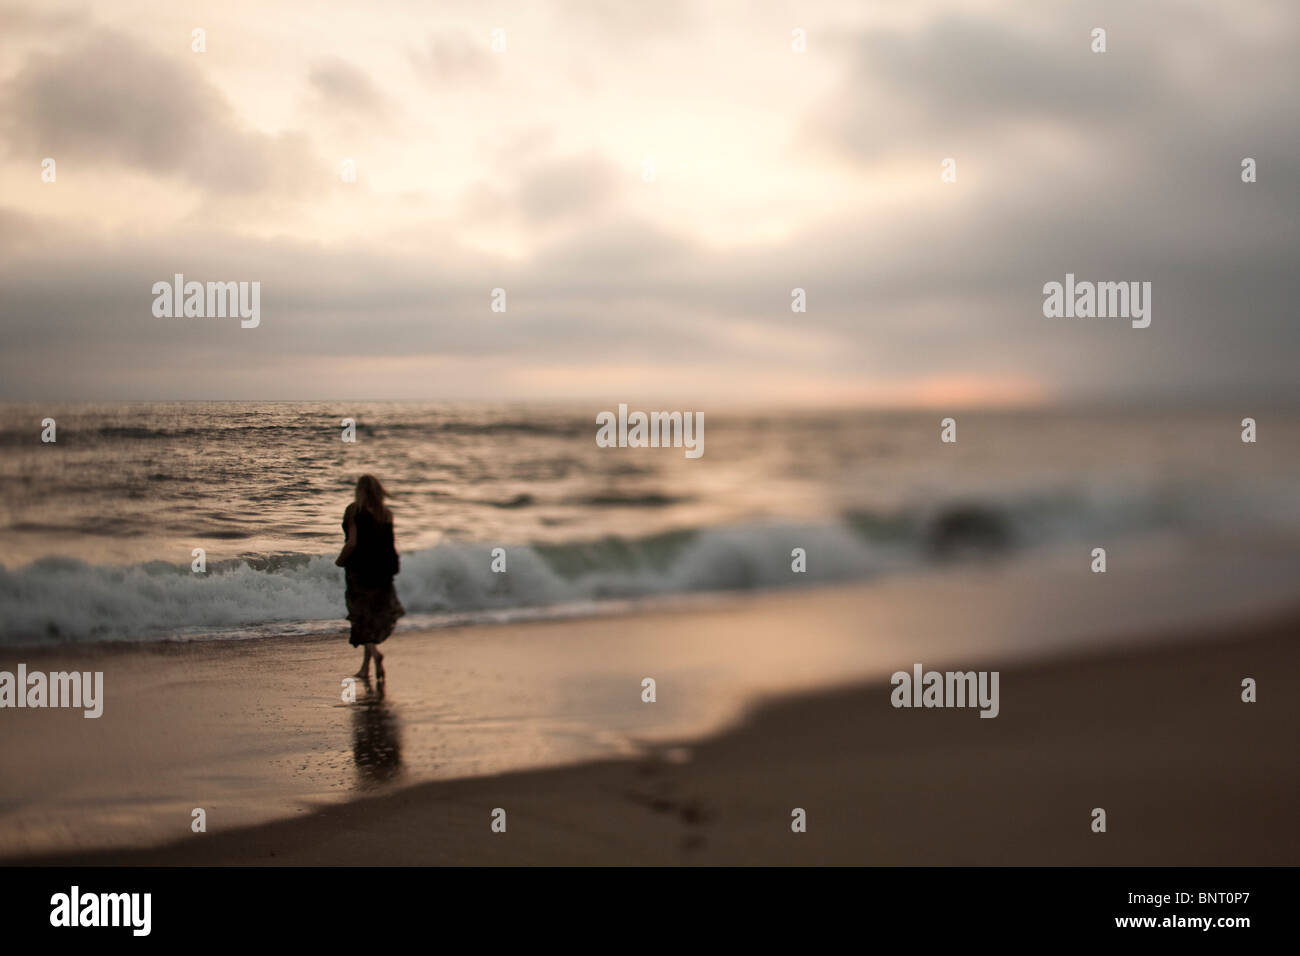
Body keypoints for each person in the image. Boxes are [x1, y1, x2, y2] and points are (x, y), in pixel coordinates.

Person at [335, 475, 404, 680]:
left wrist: (339, 561)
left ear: (360, 491)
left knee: (360, 618)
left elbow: (352, 543)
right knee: (371, 619)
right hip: (382, 573)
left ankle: (376, 654)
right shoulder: (386, 514)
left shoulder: (354, 511)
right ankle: (365, 668)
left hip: (360, 572)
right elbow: (391, 546)